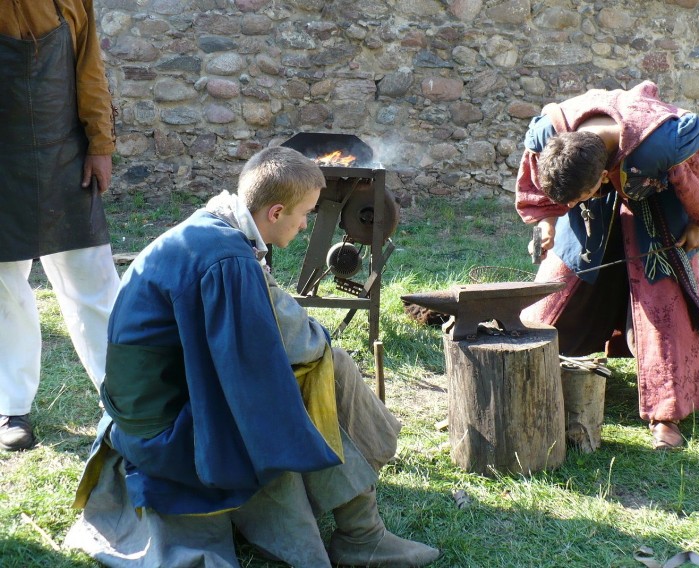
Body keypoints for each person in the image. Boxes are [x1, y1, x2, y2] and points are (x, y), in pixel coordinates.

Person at [64, 147, 442, 567]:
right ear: (276, 212)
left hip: (161, 400)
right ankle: (361, 534)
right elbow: (287, 350)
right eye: (305, 215)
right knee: (321, 368)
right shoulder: (227, 258)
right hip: (163, 427)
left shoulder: (214, 229)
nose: (305, 225)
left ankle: (363, 529)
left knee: (321, 364)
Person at [515, 81, 699, 450]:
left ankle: (666, 412)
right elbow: (534, 169)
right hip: (597, 211)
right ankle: (526, 369)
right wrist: (548, 220)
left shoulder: (664, 141)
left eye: (581, 196)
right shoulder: (549, 132)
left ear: (603, 176)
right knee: (556, 287)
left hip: (660, 203)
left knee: (662, 306)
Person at [0, 0, 121, 451]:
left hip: (63, 150)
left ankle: (125, 399)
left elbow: (89, 67)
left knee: (92, 277)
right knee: (3, 285)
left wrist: (100, 143)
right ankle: (12, 405)